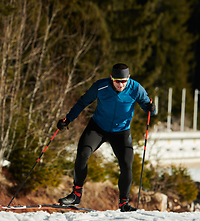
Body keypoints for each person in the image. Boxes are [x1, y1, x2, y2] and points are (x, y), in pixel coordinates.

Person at [56, 63, 155, 212]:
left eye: (123, 81)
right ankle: (76, 194)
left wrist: (151, 109)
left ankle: (124, 203)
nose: (120, 84)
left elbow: (147, 105)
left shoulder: (136, 88)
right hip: (98, 128)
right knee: (82, 154)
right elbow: (83, 102)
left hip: (121, 132)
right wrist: (68, 119)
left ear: (128, 78)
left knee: (127, 165)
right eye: (117, 81)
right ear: (111, 77)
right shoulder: (100, 86)